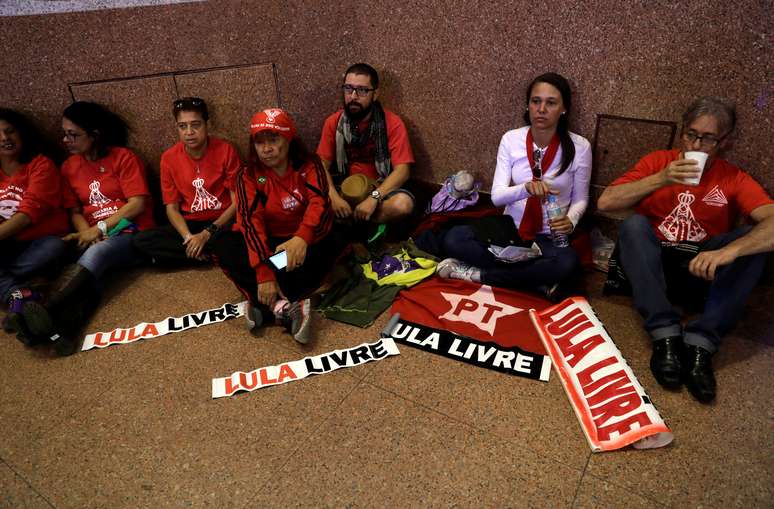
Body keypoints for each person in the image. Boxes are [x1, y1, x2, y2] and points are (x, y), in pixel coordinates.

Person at [597, 96, 773, 404]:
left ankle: (701, 343)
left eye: (708, 139)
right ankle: (665, 335)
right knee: (634, 226)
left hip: (700, 269)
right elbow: (606, 201)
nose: (697, 145)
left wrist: (730, 251)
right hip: (653, 270)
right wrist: (661, 178)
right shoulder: (658, 162)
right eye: (691, 134)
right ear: (682, 133)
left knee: (753, 242)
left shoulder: (733, 177)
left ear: (725, 142)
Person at [435, 73, 592, 299]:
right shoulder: (511, 139)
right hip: (511, 229)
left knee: (567, 263)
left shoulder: (580, 146)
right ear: (528, 105)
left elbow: (581, 199)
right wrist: (526, 188)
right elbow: (497, 197)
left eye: (551, 103)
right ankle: (534, 281)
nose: (541, 109)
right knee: (454, 239)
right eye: (536, 101)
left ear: (564, 108)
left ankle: (478, 275)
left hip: (549, 236)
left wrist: (571, 220)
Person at [21, 101, 154, 355]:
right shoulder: (69, 167)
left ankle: (45, 311)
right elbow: (75, 211)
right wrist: (87, 233)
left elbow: (137, 205)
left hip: (131, 230)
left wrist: (100, 229)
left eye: (73, 134)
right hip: (96, 236)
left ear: (95, 135)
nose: (66, 140)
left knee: (97, 255)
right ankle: (62, 332)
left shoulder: (124, 158)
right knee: (91, 272)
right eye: (64, 133)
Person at [212, 108, 341, 344]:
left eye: (273, 139)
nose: (266, 148)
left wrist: (301, 239)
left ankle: (265, 306)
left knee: (336, 238)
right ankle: (285, 305)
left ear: (288, 139)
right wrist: (264, 275)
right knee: (224, 244)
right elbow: (251, 223)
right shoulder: (247, 175)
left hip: (305, 241)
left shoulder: (310, 165)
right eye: (260, 142)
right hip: (270, 248)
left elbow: (320, 204)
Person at [133, 97, 240, 264]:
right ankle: (204, 252)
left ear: (207, 125)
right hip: (191, 223)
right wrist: (188, 237)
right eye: (182, 126)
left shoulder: (226, 150)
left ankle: (200, 253)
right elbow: (171, 209)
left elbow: (237, 203)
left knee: (235, 238)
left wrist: (207, 234)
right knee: (142, 240)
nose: (189, 132)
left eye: (195, 125)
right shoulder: (168, 158)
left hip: (221, 222)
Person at [0, 109, 69, 341]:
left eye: (10, 131)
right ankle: (21, 295)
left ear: (21, 133)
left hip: (36, 243)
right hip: (5, 247)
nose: (4, 138)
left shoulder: (40, 165)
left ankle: (16, 293)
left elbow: (29, 213)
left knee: (54, 247)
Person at [316, 63, 415, 224]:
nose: (353, 96)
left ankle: (351, 229)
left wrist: (373, 198)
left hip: (379, 189)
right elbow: (320, 165)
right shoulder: (333, 122)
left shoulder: (392, 123)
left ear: (375, 94)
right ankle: (358, 230)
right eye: (348, 88)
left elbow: (403, 171)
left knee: (402, 205)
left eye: (362, 90)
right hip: (344, 189)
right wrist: (333, 197)